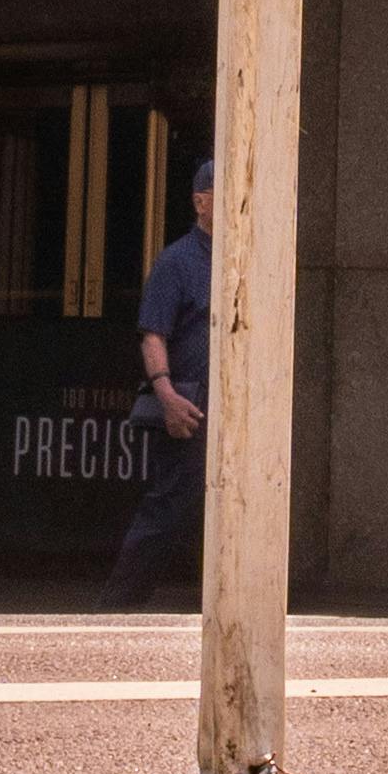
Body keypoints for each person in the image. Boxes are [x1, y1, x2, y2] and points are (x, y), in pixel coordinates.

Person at [106, 152, 215, 605]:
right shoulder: (178, 261)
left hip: (237, 410)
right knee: (169, 507)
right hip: (192, 405)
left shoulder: (243, 261)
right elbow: (153, 333)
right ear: (200, 202)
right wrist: (166, 394)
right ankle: (118, 607)